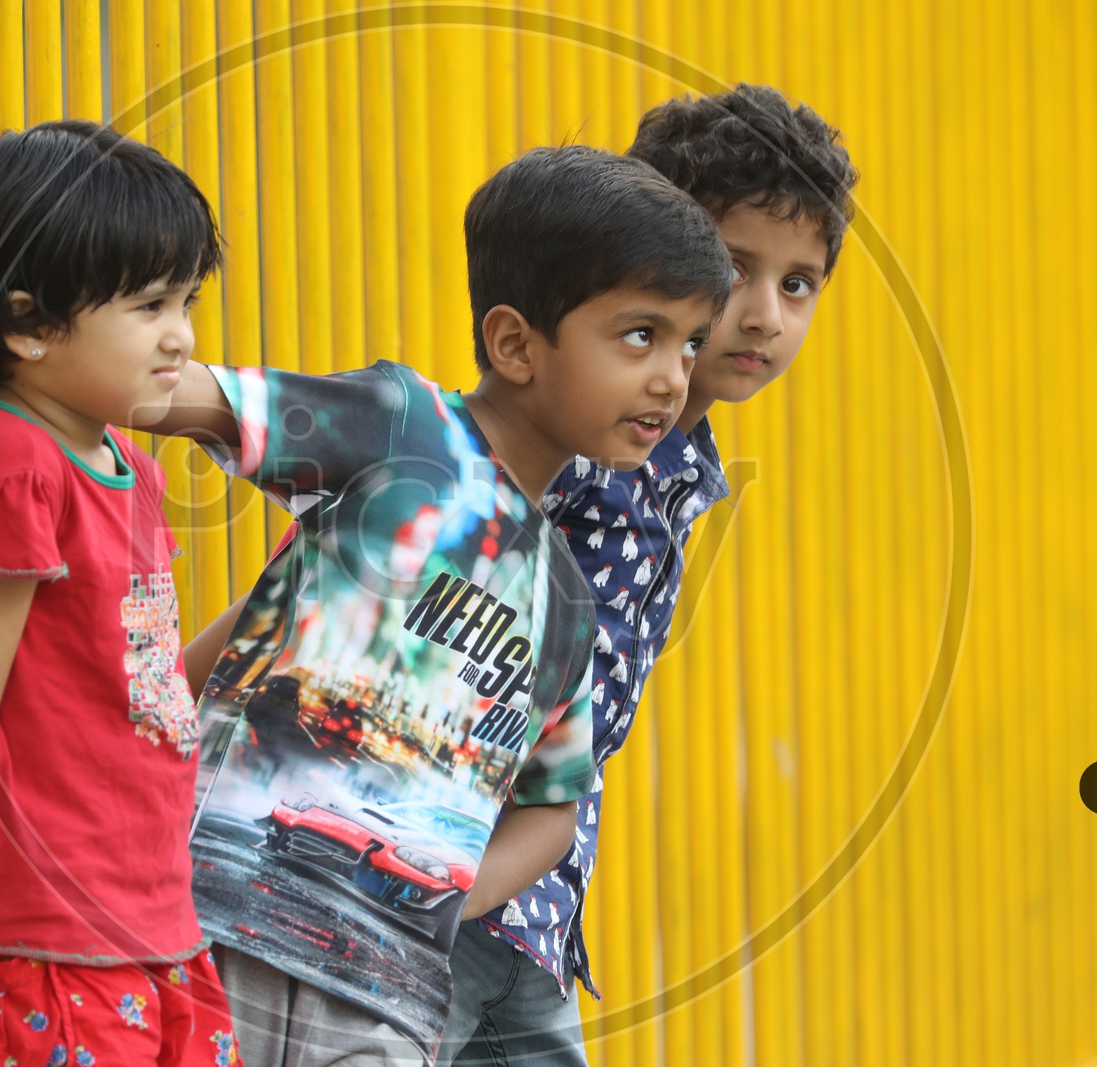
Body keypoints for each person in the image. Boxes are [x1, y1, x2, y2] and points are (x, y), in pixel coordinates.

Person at [145, 144, 731, 1065]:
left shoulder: (566, 600)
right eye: (640, 335)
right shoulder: (403, 428)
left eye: (691, 342)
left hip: (387, 995)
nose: (673, 377)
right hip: (219, 922)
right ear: (513, 343)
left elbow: (551, 808)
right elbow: (191, 397)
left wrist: (442, 899)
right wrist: (15, 335)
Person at [438, 84, 859, 1066]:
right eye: (733, 268)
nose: (760, 315)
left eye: (797, 284)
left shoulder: (670, 452)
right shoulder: (576, 435)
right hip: (428, 878)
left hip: (532, 905)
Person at [0, 119, 243, 1067]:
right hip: (42, 944)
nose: (181, 335)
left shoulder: (125, 460)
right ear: (27, 325)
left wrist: (267, 607)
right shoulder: (16, 466)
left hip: (157, 927)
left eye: (186, 298)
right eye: (148, 306)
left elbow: (131, 687)